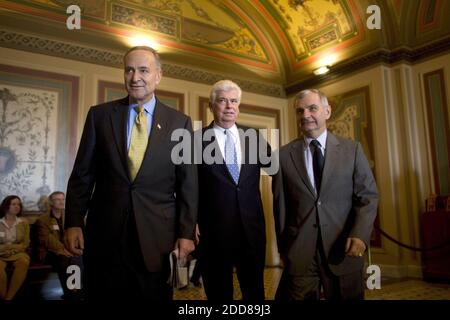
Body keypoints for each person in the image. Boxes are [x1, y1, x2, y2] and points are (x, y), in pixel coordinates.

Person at [64, 46, 198, 300]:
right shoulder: (99, 116)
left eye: (144, 70)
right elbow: (82, 175)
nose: (135, 77)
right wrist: (72, 221)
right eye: (129, 70)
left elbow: (188, 184)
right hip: (105, 236)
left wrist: (186, 233)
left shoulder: (180, 123)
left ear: (158, 75)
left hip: (157, 239)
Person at [272, 89, 379, 300]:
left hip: (343, 250)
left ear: (327, 111)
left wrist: (360, 234)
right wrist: (284, 251)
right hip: (301, 254)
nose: (305, 115)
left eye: (312, 108)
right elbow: (280, 208)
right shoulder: (282, 156)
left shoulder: (352, 150)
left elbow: (368, 196)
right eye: (300, 111)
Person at [196, 80, 271, 301]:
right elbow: (187, 186)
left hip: (251, 229)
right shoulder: (194, 141)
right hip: (213, 232)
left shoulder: (254, 137)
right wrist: (189, 222)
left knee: (255, 291)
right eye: (222, 101)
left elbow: (281, 169)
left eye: (234, 101)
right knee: (218, 293)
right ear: (211, 105)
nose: (229, 106)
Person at [35, 191, 83, 300]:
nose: (61, 202)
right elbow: (47, 240)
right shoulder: (43, 220)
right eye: (57, 199)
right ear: (51, 202)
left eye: (63, 199)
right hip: (50, 252)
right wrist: (64, 250)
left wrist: (72, 249)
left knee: (77, 258)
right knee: (65, 259)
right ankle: (70, 292)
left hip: (69, 250)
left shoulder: (70, 216)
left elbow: (76, 235)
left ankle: (75, 291)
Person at [0, 195, 30, 300]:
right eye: (13, 204)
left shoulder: (23, 222)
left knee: (24, 261)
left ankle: (9, 297)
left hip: (18, 253)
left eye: (19, 204)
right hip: (0, 254)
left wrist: (11, 249)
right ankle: (3, 296)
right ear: (6, 206)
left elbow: (26, 243)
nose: (17, 206)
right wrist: (5, 249)